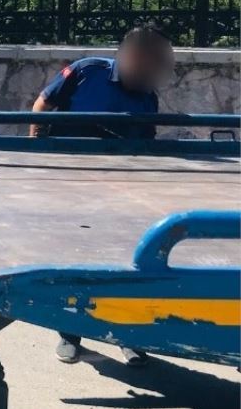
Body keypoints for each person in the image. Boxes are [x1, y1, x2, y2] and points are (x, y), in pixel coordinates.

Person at [30, 23, 175, 366]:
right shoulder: (87, 72)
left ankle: (128, 337)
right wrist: (36, 150)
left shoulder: (148, 97)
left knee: (125, 263)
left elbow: (147, 145)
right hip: (72, 185)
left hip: (120, 192)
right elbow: (43, 103)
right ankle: (70, 333)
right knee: (75, 260)